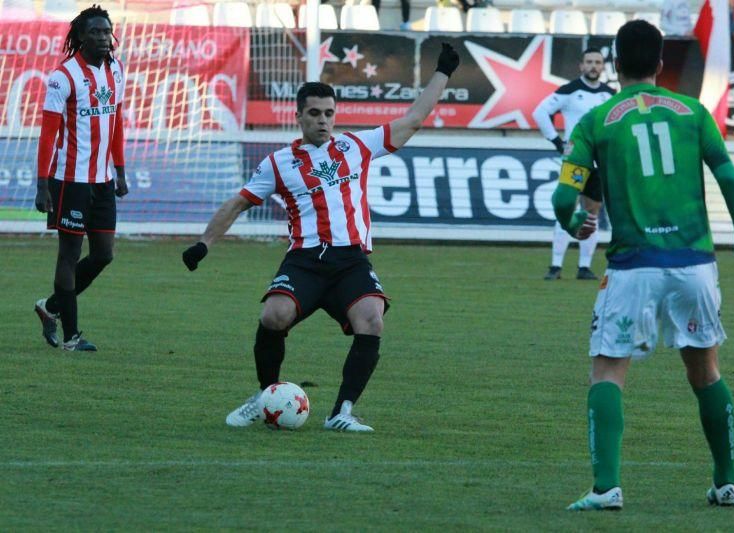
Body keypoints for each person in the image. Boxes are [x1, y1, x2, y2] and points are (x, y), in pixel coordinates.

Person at [182, 44, 461, 432]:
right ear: (298, 116)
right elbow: (237, 203)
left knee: (372, 320)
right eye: (314, 114)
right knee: (273, 315)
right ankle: (267, 398)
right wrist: (204, 244)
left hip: (351, 261)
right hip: (306, 260)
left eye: (329, 113)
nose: (323, 121)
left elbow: (412, 120)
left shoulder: (357, 146)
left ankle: (341, 413)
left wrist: (442, 73)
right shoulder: (279, 162)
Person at [552, 20, 734, 510]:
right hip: (695, 265)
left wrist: (572, 223)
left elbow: (566, 195)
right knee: (706, 372)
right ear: (661, 65)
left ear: (616, 64)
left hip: (632, 268)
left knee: (607, 372)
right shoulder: (692, 112)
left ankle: (606, 488)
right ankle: (726, 482)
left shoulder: (596, 120)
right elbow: (727, 172)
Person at [33, 4, 128, 352]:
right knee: (69, 255)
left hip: (102, 181)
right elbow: (48, 134)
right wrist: (42, 184)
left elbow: (117, 123)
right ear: (81, 36)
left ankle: (50, 307)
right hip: (69, 181)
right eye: (96, 32)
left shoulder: (116, 69)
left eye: (107, 31)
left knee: (104, 254)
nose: (104, 37)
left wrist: (120, 170)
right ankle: (72, 337)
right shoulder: (63, 76)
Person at [532, 48, 615, 281]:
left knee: (592, 213)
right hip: (576, 161)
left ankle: (584, 267)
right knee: (566, 209)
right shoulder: (569, 91)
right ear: (581, 66)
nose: (593, 66)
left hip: (599, 162)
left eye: (598, 62)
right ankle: (555, 265)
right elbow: (540, 112)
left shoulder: (610, 95)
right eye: (589, 62)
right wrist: (558, 143)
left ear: (603, 67)